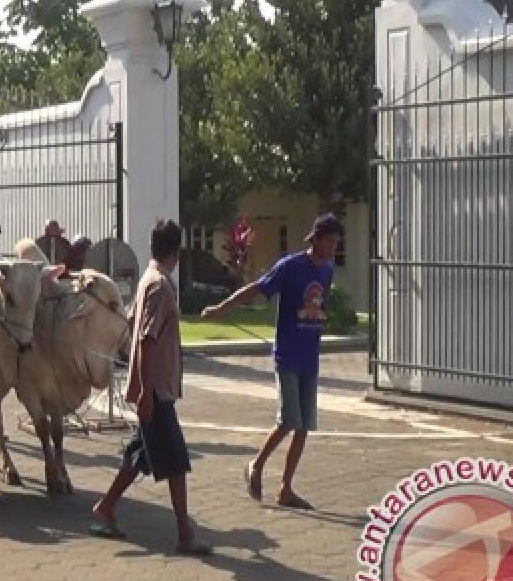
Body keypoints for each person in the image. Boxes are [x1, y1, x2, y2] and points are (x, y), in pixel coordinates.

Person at [202, 213, 342, 510]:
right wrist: (222, 308)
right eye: (330, 241)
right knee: (289, 420)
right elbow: (256, 288)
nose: (333, 247)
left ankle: (286, 489)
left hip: (309, 358)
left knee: (303, 427)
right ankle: (256, 464)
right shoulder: (290, 266)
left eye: (336, 242)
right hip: (288, 355)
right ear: (315, 239)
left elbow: (319, 305)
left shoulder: (328, 270)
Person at [90, 219, 212, 556]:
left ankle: (106, 507)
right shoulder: (159, 286)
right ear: (177, 250)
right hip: (155, 390)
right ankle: (185, 533)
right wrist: (144, 391)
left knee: (140, 455)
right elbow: (145, 339)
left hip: (155, 388)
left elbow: (133, 324)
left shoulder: (149, 280)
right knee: (175, 461)